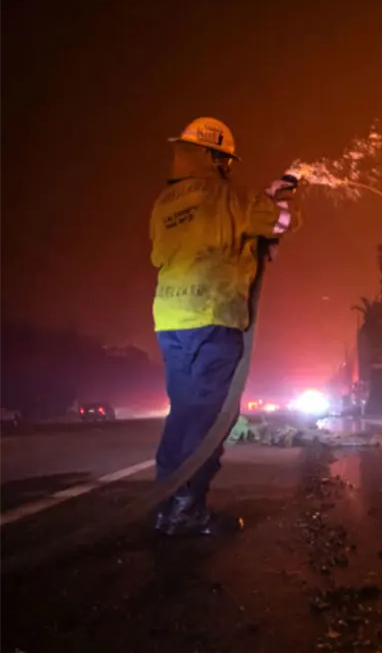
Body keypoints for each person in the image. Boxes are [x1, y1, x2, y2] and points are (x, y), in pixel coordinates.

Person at [150, 117, 300, 536]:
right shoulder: (227, 196)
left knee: (182, 414)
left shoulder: (165, 203)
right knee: (212, 419)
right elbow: (280, 224)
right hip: (214, 317)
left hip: (170, 319)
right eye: (226, 160)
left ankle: (165, 504)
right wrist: (277, 199)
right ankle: (186, 509)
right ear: (216, 157)